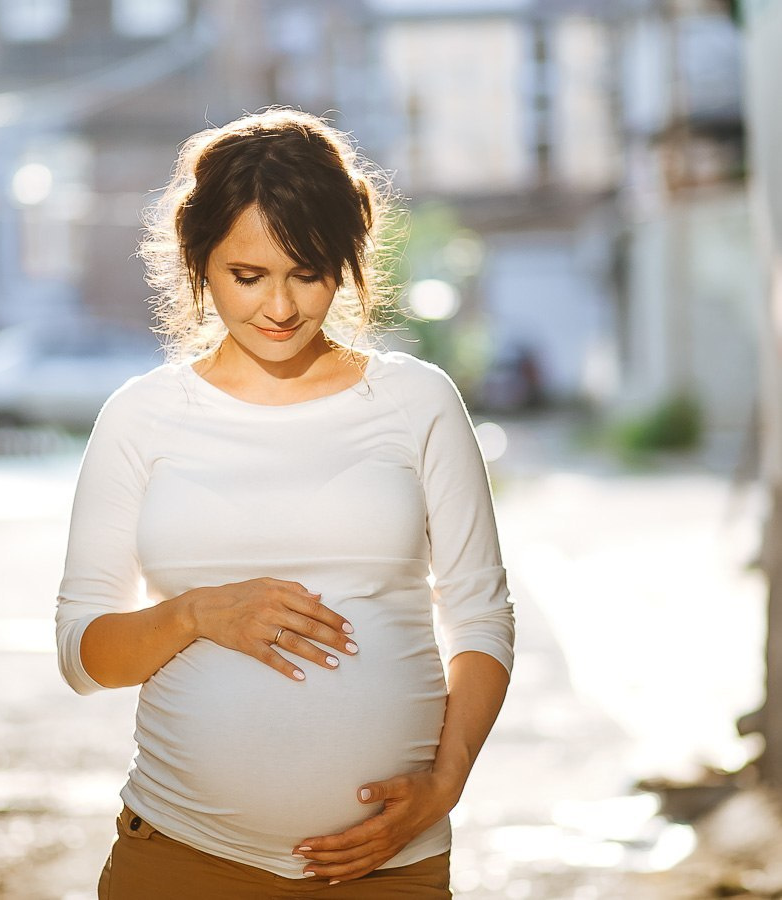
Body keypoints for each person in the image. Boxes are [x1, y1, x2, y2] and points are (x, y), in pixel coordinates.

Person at [55, 107, 514, 899]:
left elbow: (481, 618)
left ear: (345, 261)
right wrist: (197, 613)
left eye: (308, 273)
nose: (279, 307)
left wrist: (446, 785)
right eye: (248, 276)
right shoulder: (140, 416)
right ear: (200, 261)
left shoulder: (417, 401)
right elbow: (81, 655)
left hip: (388, 864)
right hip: (182, 858)